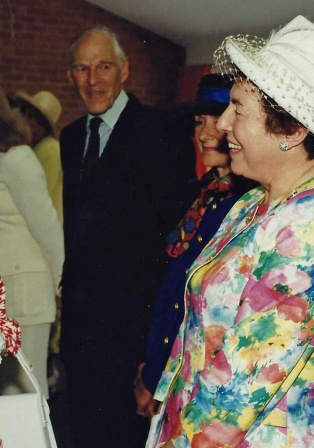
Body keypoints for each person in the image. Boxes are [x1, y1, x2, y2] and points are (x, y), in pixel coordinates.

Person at [148, 15, 314, 448]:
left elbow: (239, 389)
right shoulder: (252, 203)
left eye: (238, 110)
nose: (223, 123)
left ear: (293, 130)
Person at [59, 25, 198, 448]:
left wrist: (156, 345)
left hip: (135, 330)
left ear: (124, 70)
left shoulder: (160, 132)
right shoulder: (69, 138)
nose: (92, 79)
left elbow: (175, 240)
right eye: (82, 69)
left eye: (103, 66)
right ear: (70, 77)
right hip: (82, 331)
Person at [133, 73, 256, 419]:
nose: (203, 133)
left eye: (216, 121)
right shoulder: (205, 196)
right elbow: (173, 292)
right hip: (166, 371)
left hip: (198, 386)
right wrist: (152, 366)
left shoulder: (243, 206)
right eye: (200, 122)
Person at [0, 86, 64, 400]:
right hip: (8, 295)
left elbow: (47, 228)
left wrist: (63, 285)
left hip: (25, 298)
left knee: (26, 401)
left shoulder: (16, 156)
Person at [15, 90, 63, 224]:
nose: (25, 119)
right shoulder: (38, 148)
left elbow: (37, 197)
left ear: (43, 124)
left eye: (31, 116)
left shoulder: (51, 150)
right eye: (25, 112)